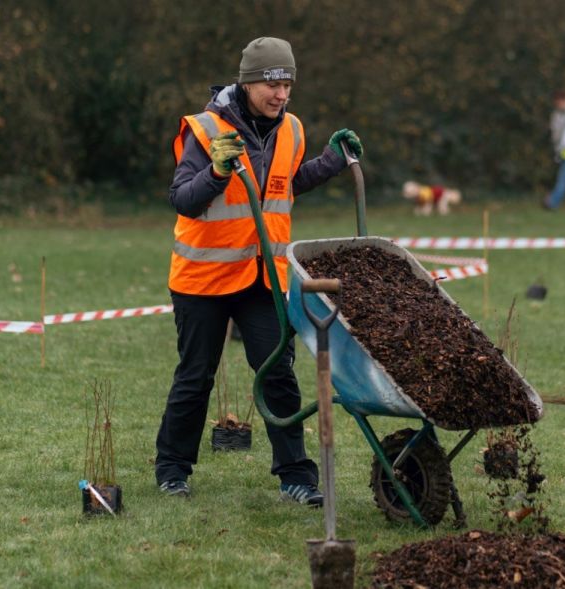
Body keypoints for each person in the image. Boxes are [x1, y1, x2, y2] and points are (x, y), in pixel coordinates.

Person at [155, 37, 364, 506]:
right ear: (249, 83)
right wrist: (216, 172)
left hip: (263, 277)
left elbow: (284, 186)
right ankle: (172, 469)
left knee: (277, 374)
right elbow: (183, 198)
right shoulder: (205, 129)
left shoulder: (290, 129)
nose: (281, 94)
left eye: (287, 83)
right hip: (202, 279)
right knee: (196, 376)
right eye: (272, 83)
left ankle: (296, 477)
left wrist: (331, 162)